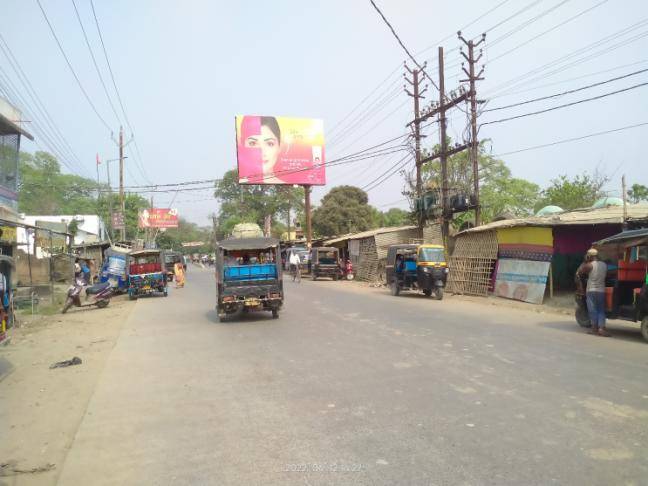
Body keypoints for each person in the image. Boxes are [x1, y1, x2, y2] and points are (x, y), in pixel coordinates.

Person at [576, 248, 611, 337]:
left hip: (591, 290)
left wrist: (585, 261)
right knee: (601, 310)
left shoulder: (589, 265)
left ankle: (594, 329)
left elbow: (579, 272)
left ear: (589, 256)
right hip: (601, 291)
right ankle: (601, 328)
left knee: (592, 310)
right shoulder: (604, 265)